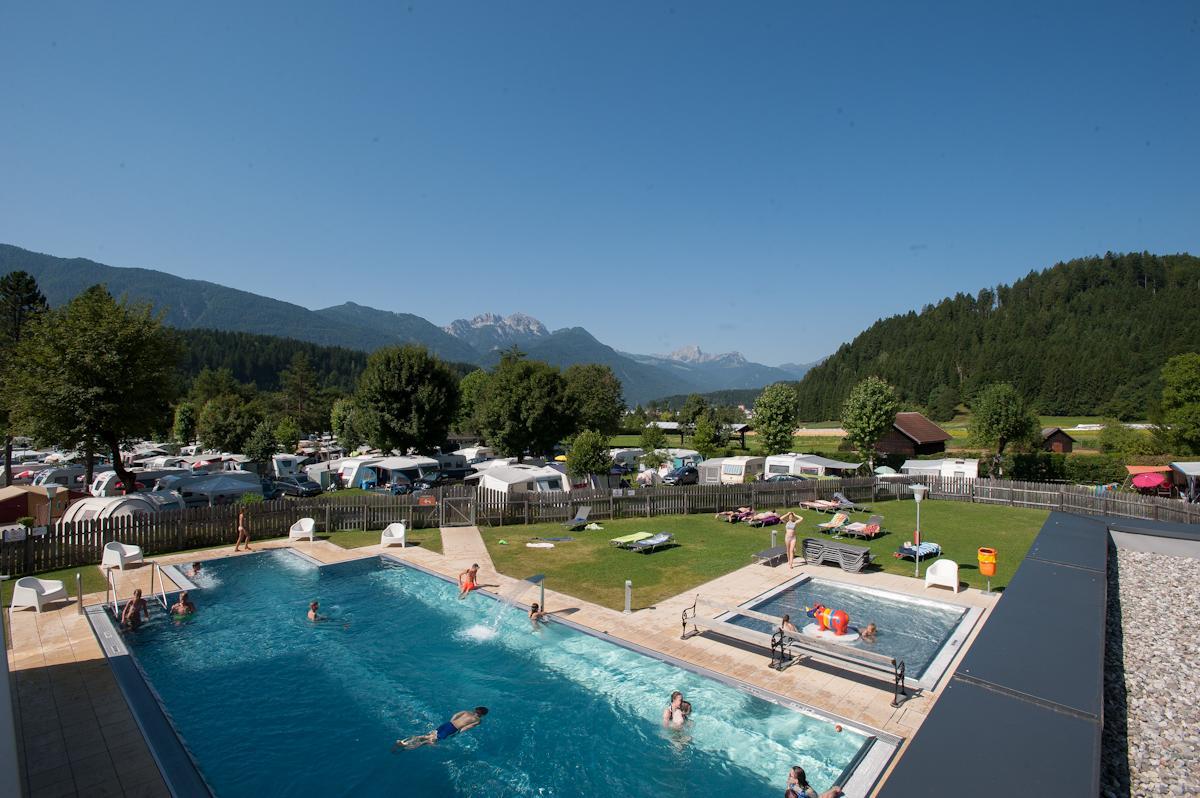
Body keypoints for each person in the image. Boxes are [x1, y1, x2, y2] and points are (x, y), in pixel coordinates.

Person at [394, 707, 488, 750]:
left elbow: (455, 715)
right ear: (483, 715)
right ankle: (406, 745)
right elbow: (467, 727)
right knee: (430, 741)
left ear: (476, 710)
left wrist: (451, 722)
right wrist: (457, 732)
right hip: (453, 729)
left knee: (428, 735)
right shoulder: (478, 720)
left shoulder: (466, 712)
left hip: (447, 724)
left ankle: (404, 742)